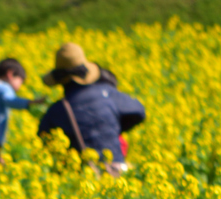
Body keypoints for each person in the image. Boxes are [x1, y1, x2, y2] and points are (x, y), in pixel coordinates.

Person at [37, 43, 145, 174]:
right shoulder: (107, 93)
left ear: (59, 80)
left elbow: (43, 139)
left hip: (83, 175)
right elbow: (139, 111)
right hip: (119, 172)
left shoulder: (57, 110)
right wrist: (114, 127)